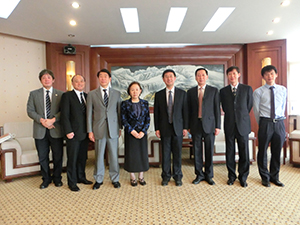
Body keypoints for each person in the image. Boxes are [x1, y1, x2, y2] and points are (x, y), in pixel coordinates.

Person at [27, 69, 64, 189]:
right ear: (41, 80)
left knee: (58, 156)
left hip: (56, 129)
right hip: (40, 130)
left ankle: (57, 178)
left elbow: (63, 111)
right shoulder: (34, 94)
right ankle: (46, 179)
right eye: (44, 78)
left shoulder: (61, 94)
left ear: (53, 80)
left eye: (49, 77)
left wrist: (53, 120)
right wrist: (42, 121)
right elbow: (30, 111)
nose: (46, 80)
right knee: (43, 156)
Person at [86, 69, 122, 189]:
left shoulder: (117, 93)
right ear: (98, 79)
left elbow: (119, 112)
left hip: (113, 129)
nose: (103, 78)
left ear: (109, 78)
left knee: (113, 156)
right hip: (98, 129)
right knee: (99, 155)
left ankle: (115, 178)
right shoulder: (91, 94)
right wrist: (90, 130)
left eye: (105, 76)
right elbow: (88, 114)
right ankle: (98, 178)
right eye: (100, 76)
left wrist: (120, 127)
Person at [253, 65, 287, 187]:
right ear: (263, 77)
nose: (269, 76)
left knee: (277, 151)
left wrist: (279, 118)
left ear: (276, 75)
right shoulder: (258, 92)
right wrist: (262, 124)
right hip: (265, 123)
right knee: (262, 151)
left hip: (279, 123)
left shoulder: (283, 90)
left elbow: (283, 107)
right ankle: (265, 177)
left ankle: (275, 177)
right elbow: (256, 111)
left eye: (272, 74)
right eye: (266, 74)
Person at [220, 66, 253, 188]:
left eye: (234, 73)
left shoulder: (247, 89)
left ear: (238, 75)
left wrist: (240, 116)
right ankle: (231, 176)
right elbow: (224, 107)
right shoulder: (223, 91)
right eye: (229, 74)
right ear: (227, 76)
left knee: (244, 152)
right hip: (229, 124)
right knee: (230, 152)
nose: (232, 76)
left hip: (243, 125)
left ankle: (243, 177)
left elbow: (249, 106)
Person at [154, 69, 188, 187]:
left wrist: (185, 127)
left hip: (178, 128)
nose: (169, 78)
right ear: (163, 79)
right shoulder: (158, 94)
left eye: (171, 76)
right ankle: (166, 176)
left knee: (178, 154)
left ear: (174, 78)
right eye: (166, 77)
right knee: (166, 154)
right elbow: (157, 113)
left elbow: (185, 112)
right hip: (164, 128)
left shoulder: (182, 93)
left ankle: (178, 176)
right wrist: (157, 128)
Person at [187, 68, 221, 185]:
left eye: (203, 75)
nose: (201, 77)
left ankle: (209, 175)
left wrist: (218, 126)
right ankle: (199, 175)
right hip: (195, 125)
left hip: (210, 125)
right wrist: (188, 126)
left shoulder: (214, 91)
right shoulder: (190, 92)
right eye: (198, 75)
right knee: (197, 151)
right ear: (195, 78)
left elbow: (217, 109)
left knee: (209, 150)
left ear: (207, 77)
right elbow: (188, 111)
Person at [60, 75, 93, 192]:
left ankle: (81, 177)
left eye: (81, 81)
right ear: (72, 83)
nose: (79, 83)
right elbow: (64, 115)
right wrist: (68, 131)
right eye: (76, 81)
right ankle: (72, 182)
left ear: (84, 82)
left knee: (83, 158)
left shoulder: (87, 96)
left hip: (85, 133)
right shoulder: (67, 96)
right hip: (72, 134)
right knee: (72, 159)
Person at [121, 82, 150, 186]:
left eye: (137, 89)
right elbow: (123, 120)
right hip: (130, 134)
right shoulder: (125, 104)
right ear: (129, 91)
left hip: (142, 133)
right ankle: (132, 177)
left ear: (140, 91)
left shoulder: (145, 103)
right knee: (131, 155)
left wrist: (143, 132)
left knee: (142, 154)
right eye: (132, 89)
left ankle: (141, 176)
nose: (135, 92)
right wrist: (132, 131)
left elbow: (147, 119)